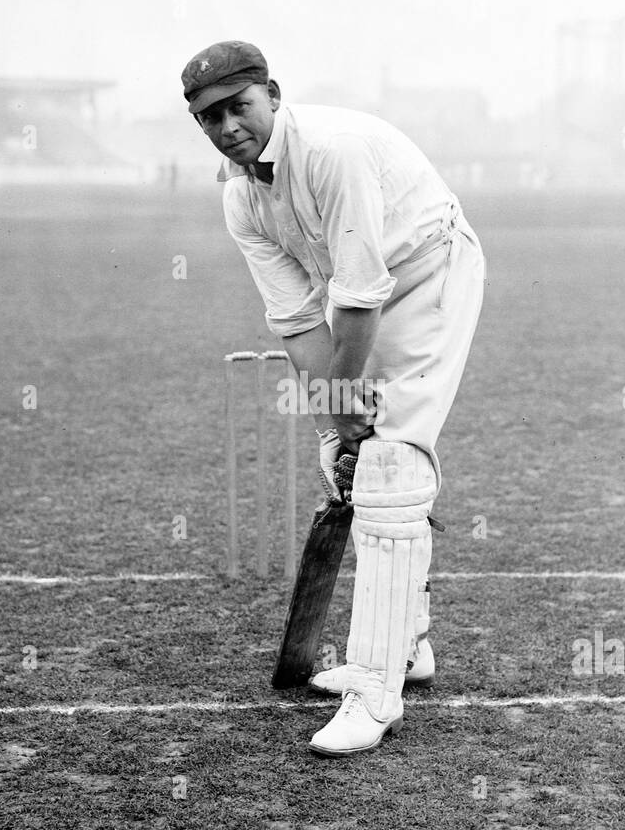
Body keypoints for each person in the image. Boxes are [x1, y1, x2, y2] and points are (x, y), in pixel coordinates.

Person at [182, 40, 485, 757]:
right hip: (367, 297)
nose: (227, 126)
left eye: (239, 107)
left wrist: (351, 409)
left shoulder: (332, 151)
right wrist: (332, 424)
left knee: (391, 465)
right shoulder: (241, 199)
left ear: (273, 94)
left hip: (429, 275)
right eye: (209, 117)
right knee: (366, 453)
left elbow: (355, 301)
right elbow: (298, 321)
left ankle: (376, 694)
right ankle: (407, 647)